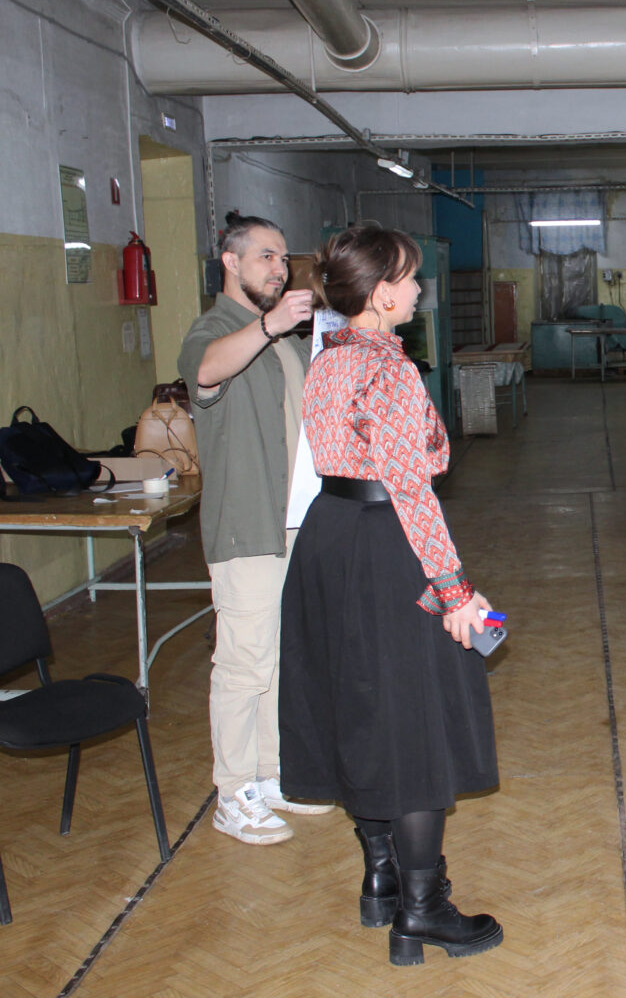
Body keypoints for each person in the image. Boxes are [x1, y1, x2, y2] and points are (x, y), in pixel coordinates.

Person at [278, 226, 504, 964]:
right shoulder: (390, 370)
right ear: (380, 294)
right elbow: (411, 492)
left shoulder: (329, 357)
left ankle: (380, 876)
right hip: (385, 546)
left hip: (330, 536)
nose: (417, 289)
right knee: (414, 722)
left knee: (355, 706)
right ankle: (422, 908)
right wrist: (456, 592)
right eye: (408, 278)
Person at [177, 212, 333, 846]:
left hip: (294, 524)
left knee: (276, 657)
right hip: (247, 528)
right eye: (265, 256)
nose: (278, 268)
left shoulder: (286, 341)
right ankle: (233, 790)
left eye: (283, 257)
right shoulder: (216, 330)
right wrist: (269, 325)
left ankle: (269, 775)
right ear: (230, 262)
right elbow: (206, 370)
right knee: (243, 662)